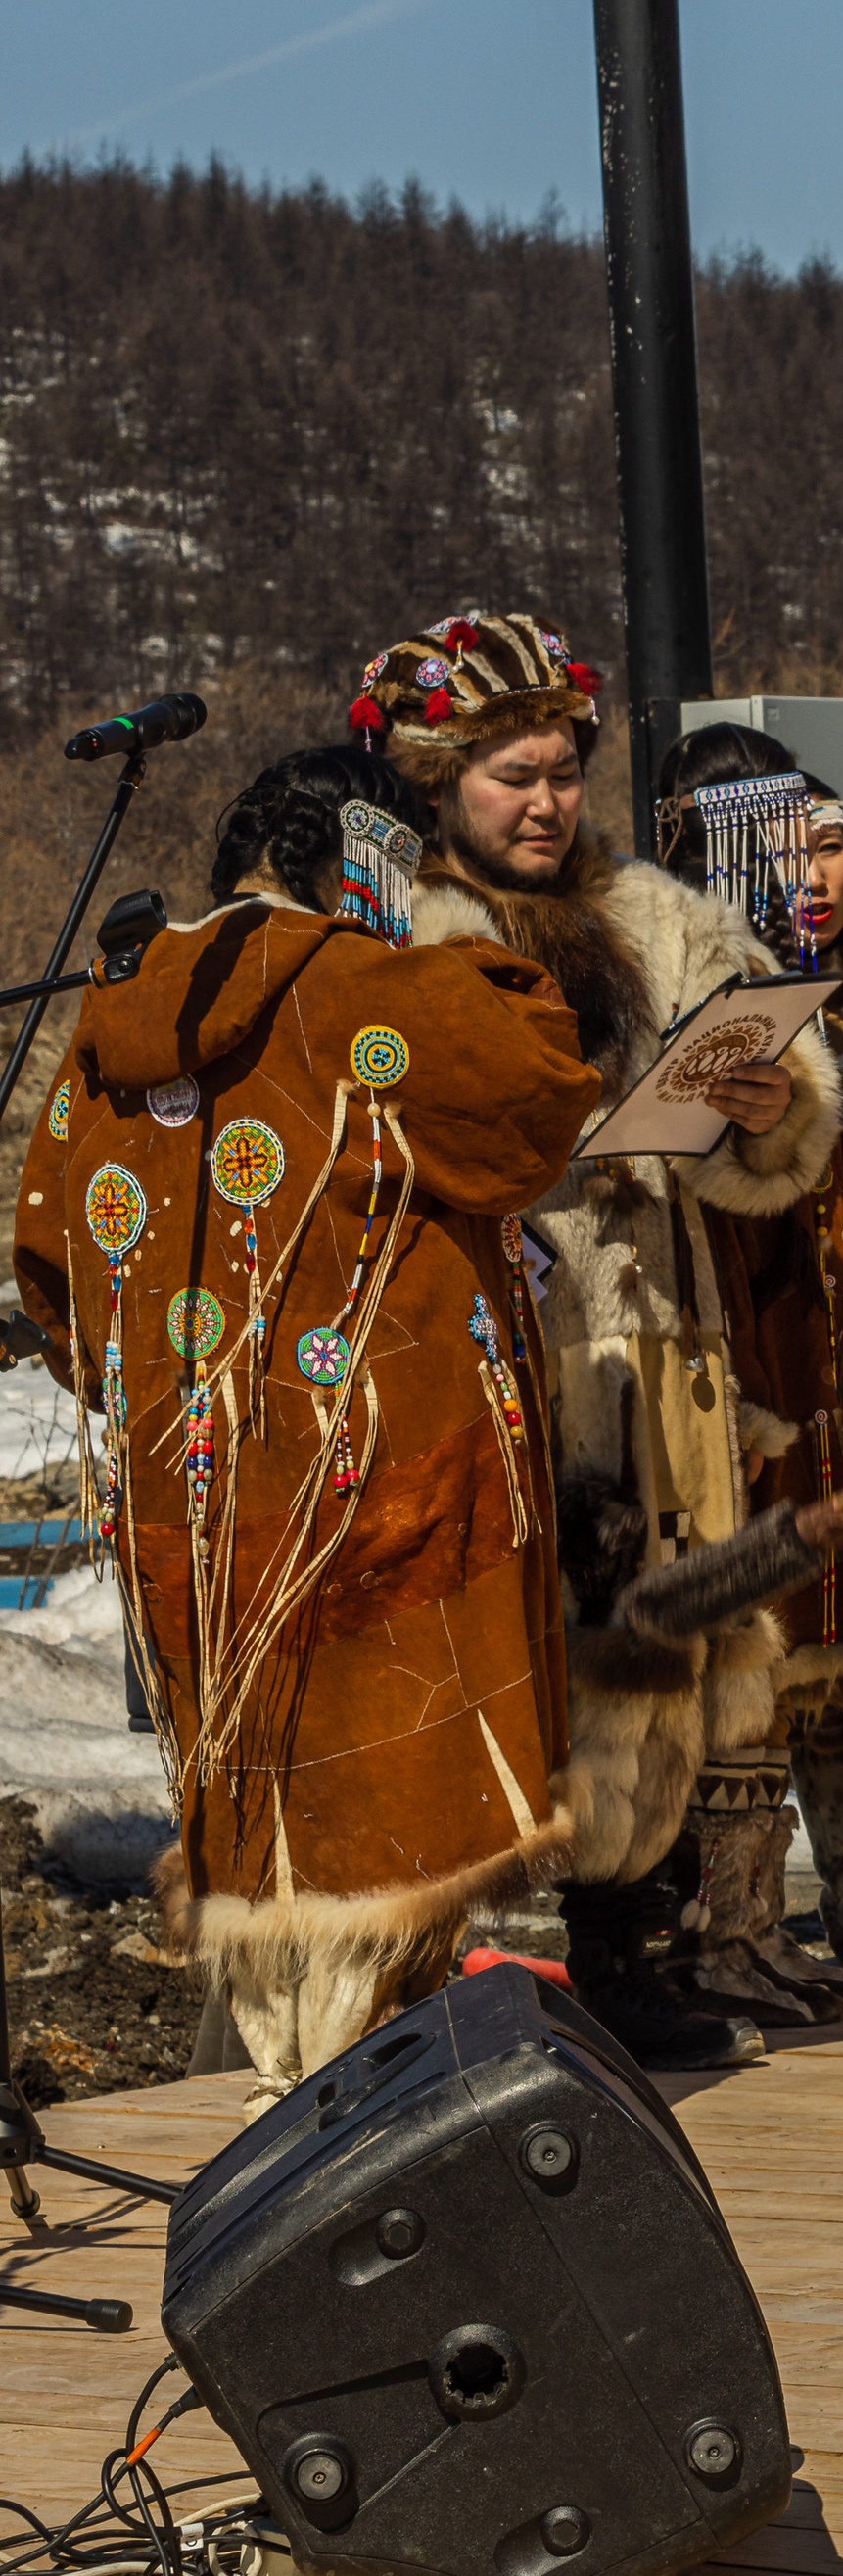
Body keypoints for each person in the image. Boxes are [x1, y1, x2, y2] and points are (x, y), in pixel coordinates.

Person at [12, 741, 598, 2115]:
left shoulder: (114, 1020)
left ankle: (299, 2115)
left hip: (198, 1510)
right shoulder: (369, 988)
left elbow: (54, 1266)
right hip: (377, 1503)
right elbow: (540, 1092)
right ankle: (361, 2145)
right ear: (375, 862)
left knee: (274, 1847)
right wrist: (465, 950)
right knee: (383, 1855)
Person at [352, 609, 843, 2071]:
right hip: (513, 1333)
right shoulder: (402, 937)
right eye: (514, 773)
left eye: (563, 768)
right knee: (533, 1643)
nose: (547, 799)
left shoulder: (654, 914)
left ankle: (638, 1951)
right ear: (444, 780)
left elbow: (779, 1090)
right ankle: (490, 1965)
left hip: (663, 1333)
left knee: (666, 1635)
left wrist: (772, 1107)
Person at [652, 722, 843, 1978]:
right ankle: (715, 1934)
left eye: (818, 843)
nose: (803, 872)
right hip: (707, 1358)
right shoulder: (650, 974)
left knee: (831, 1637)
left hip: (826, 1351)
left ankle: (842, 1914)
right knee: (727, 1644)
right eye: (769, 842)